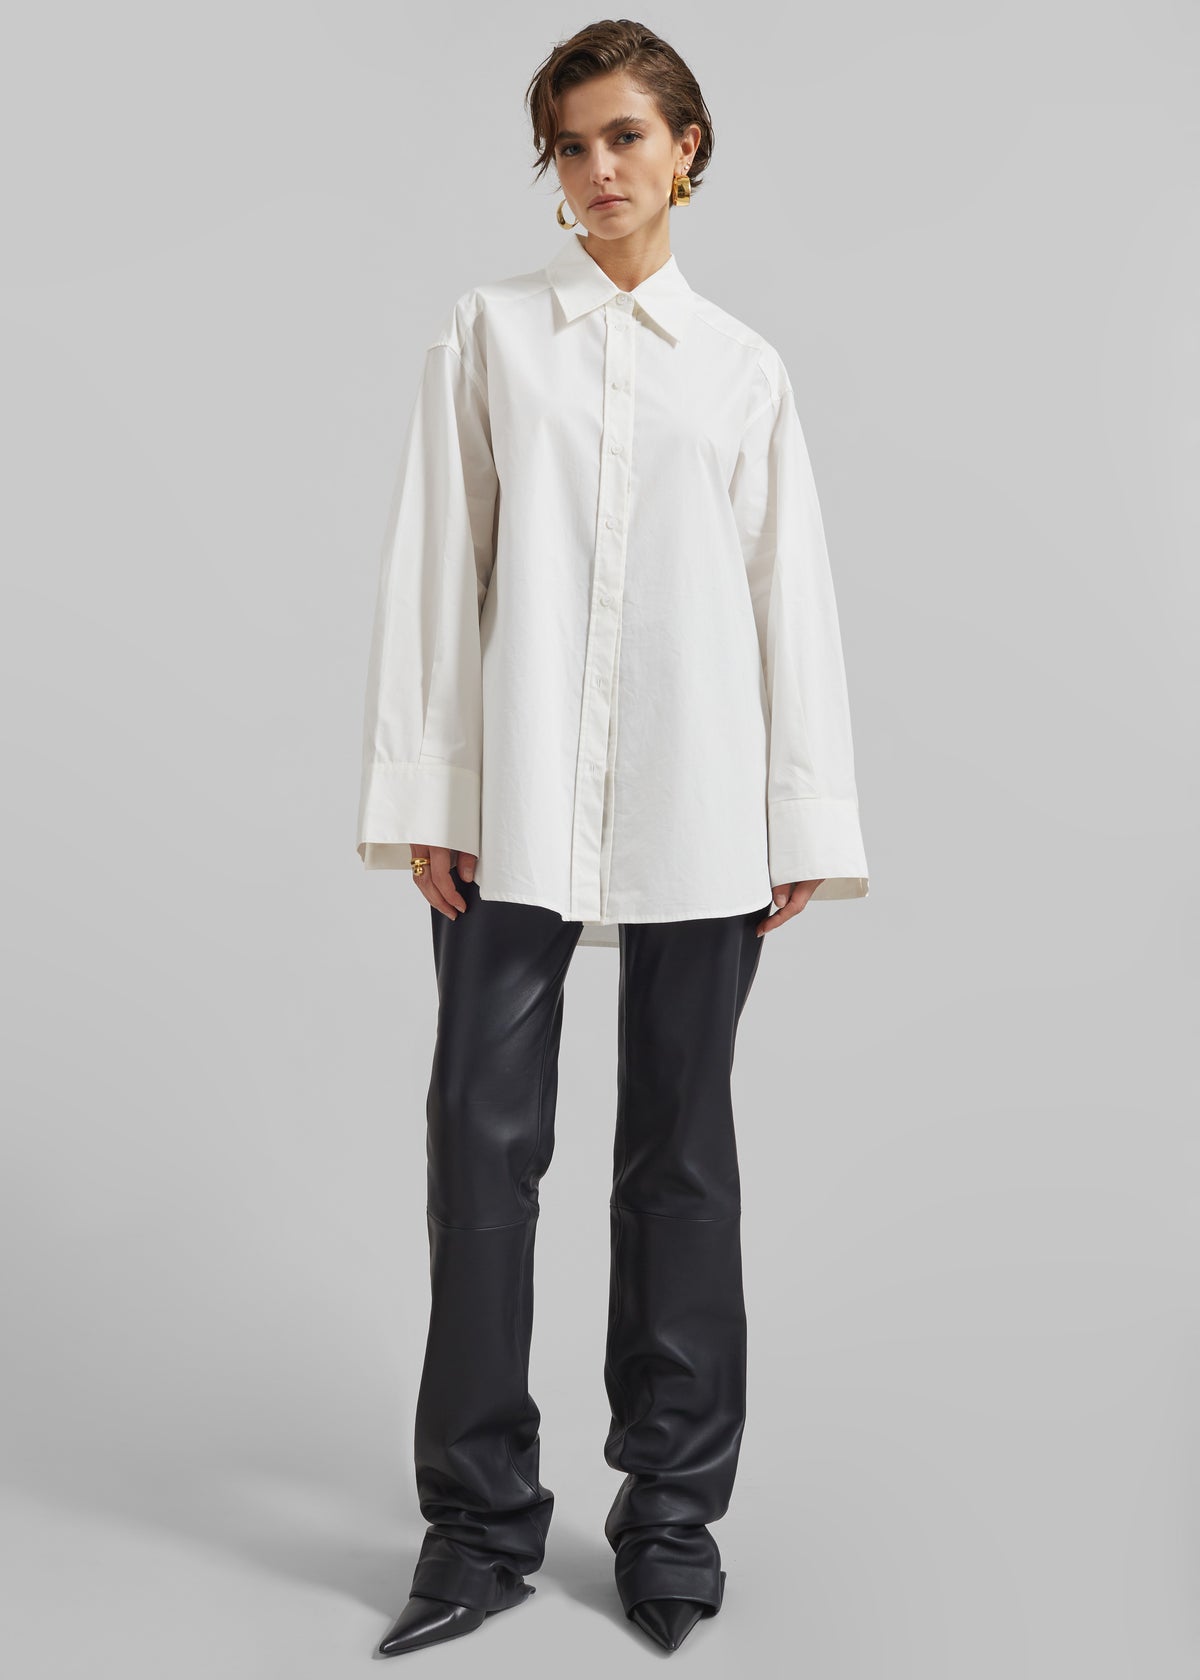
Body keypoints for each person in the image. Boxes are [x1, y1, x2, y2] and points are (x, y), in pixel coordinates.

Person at [356, 18, 869, 1660]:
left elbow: (790, 599)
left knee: (680, 1156)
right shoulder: (488, 335)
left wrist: (801, 807)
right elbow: (440, 570)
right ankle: (477, 1523)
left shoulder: (743, 369)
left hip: (701, 792)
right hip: (510, 801)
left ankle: (670, 1521)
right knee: (479, 1143)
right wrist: (431, 797)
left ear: (686, 148)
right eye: (570, 146)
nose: (596, 171)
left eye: (625, 137)